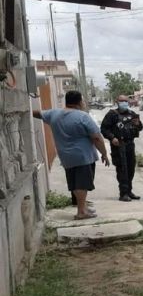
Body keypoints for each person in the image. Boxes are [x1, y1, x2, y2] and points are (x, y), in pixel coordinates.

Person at [33, 90, 110, 220]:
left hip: (66, 157)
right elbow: (97, 137)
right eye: (83, 100)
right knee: (82, 184)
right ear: (79, 102)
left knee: (75, 183)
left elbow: (37, 113)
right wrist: (104, 153)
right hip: (82, 156)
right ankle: (81, 212)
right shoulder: (82, 116)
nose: (84, 103)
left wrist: (24, 111)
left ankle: (83, 207)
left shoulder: (54, 114)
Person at [101, 95, 143, 202]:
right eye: (121, 101)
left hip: (130, 144)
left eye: (126, 101)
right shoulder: (112, 114)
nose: (124, 103)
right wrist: (112, 138)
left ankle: (129, 191)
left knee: (131, 168)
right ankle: (123, 193)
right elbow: (104, 129)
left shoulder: (132, 114)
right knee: (122, 169)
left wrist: (138, 124)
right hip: (118, 145)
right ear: (117, 101)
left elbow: (140, 127)